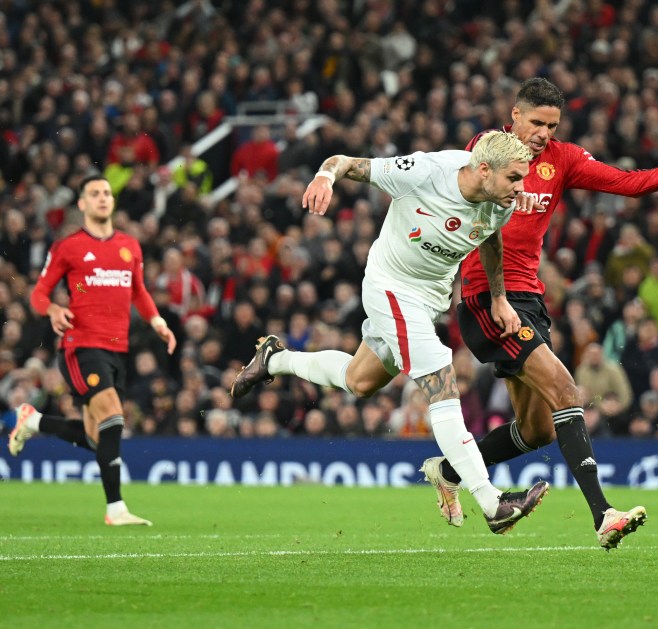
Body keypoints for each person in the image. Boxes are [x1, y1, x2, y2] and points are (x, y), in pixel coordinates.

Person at [421, 77, 658, 549]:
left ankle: (448, 470)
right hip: (488, 299)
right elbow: (477, 226)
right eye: (537, 122)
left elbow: (621, 182)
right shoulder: (485, 151)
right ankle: (603, 514)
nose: (544, 132)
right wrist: (498, 297)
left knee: (538, 429)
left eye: (552, 124)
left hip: (530, 300)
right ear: (516, 115)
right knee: (567, 389)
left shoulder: (562, 159)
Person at [229, 131, 549, 534]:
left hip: (429, 298)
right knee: (441, 379)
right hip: (390, 287)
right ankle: (491, 502)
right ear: (483, 169)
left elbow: (490, 240)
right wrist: (325, 178)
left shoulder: (499, 200)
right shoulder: (425, 172)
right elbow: (344, 161)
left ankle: (274, 358)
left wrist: (499, 298)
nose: (522, 189)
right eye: (515, 179)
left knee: (359, 381)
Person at [8, 174, 177, 526]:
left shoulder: (130, 245)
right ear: (82, 203)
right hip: (81, 345)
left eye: (106, 193)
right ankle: (116, 508)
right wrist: (53, 309)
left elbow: (139, 292)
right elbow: (38, 293)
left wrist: (158, 322)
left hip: (118, 349)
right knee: (114, 416)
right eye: (94, 194)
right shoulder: (68, 247)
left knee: (94, 436)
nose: (102, 198)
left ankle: (34, 420)